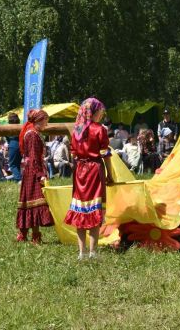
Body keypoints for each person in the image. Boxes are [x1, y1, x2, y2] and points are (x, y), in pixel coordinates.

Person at [65, 98, 113, 260]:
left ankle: (82, 253)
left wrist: (77, 168)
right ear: (93, 112)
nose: (102, 114)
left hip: (80, 172)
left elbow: (73, 154)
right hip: (94, 170)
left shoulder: (76, 131)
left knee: (81, 210)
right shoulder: (99, 129)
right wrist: (110, 175)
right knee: (94, 209)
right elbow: (105, 155)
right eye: (100, 111)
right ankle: (93, 252)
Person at [16, 109, 54, 244]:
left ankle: (23, 234)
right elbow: (33, 157)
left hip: (31, 171)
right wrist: (40, 175)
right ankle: (35, 236)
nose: (46, 125)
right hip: (33, 172)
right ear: (39, 120)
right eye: (45, 121)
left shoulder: (33, 132)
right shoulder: (32, 134)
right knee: (35, 202)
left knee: (28, 202)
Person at [6, 113, 22, 182]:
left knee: (12, 164)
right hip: (21, 145)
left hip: (13, 145)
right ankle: (17, 179)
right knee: (17, 163)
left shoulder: (8, 127)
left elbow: (7, 138)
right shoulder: (21, 126)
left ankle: (19, 180)